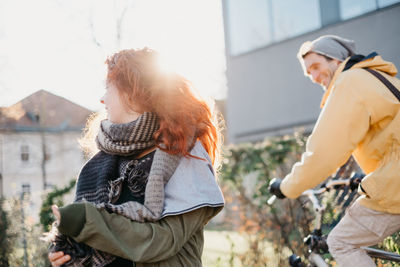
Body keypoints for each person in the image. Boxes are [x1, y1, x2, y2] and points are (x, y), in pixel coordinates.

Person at [47, 48, 224, 267]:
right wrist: (65, 254)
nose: (102, 99)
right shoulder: (97, 165)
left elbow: (162, 241)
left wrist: (88, 222)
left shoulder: (186, 157)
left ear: (133, 92)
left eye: (108, 88)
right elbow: (85, 244)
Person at [268, 35, 400, 266]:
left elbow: (322, 155)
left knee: (340, 243)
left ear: (336, 60)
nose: (315, 77)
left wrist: (287, 187)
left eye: (317, 67)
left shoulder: (349, 82)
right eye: (309, 73)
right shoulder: (373, 77)